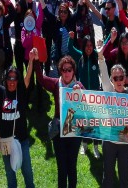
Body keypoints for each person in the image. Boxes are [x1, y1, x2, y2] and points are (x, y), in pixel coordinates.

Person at [0, 52, 36, 188]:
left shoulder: (21, 91)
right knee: (11, 178)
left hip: (22, 140)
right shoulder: (0, 91)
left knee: (28, 174)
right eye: (9, 78)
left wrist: (32, 60)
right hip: (6, 142)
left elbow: (28, 78)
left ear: (17, 80)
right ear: (5, 79)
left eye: (14, 78)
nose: (12, 81)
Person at [34, 52, 85, 188]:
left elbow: (89, 110)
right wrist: (37, 60)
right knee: (62, 169)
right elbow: (40, 78)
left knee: (71, 167)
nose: (67, 72)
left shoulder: (79, 86)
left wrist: (81, 96)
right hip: (59, 132)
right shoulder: (56, 84)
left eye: (69, 69)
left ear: (73, 70)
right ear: (60, 71)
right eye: (64, 69)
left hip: (74, 132)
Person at [97, 44, 128, 188]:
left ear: (125, 79)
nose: (118, 81)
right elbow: (104, 73)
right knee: (108, 177)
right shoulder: (109, 91)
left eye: (121, 77)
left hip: (125, 143)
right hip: (109, 143)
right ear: (112, 80)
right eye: (115, 78)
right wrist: (101, 57)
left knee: (124, 178)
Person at [67, 31, 101, 158]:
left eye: (91, 46)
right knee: (84, 120)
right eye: (87, 46)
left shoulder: (96, 57)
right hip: (82, 95)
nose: (89, 48)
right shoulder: (80, 57)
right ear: (84, 47)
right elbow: (70, 48)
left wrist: (111, 38)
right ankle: (85, 144)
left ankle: (96, 147)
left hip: (94, 96)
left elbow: (106, 50)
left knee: (95, 121)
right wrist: (71, 38)